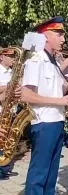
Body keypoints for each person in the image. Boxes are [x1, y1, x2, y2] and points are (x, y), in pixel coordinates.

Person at [20, 17, 68, 194]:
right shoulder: (36, 60)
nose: (63, 39)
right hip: (44, 123)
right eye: (59, 34)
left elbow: (57, 90)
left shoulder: (53, 63)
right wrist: (60, 101)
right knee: (39, 174)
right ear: (46, 35)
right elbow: (26, 94)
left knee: (51, 175)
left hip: (57, 121)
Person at [0, 48, 20, 180]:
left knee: (8, 142)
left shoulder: (11, 71)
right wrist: (9, 86)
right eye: (10, 56)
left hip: (11, 110)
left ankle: (4, 168)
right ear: (2, 57)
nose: (13, 59)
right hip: (1, 110)